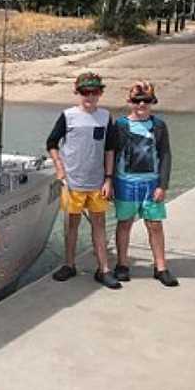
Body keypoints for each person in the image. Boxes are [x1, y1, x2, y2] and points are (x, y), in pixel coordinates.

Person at [46, 71, 121, 289]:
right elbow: (51, 143)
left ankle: (104, 269)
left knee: (99, 225)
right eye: (85, 93)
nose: (89, 97)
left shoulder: (106, 117)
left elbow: (110, 149)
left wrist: (108, 179)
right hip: (72, 184)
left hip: (97, 183)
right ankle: (69, 264)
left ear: (100, 93)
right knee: (71, 226)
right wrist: (60, 169)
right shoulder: (67, 116)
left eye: (94, 92)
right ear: (77, 93)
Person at [113, 81, 178, 287]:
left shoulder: (159, 126)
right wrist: (109, 181)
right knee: (124, 223)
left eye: (146, 101)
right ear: (129, 102)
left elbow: (165, 155)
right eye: (136, 101)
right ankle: (122, 264)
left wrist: (163, 185)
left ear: (152, 102)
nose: (141, 105)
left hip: (151, 184)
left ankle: (161, 267)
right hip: (125, 183)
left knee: (155, 225)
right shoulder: (120, 125)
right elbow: (111, 155)